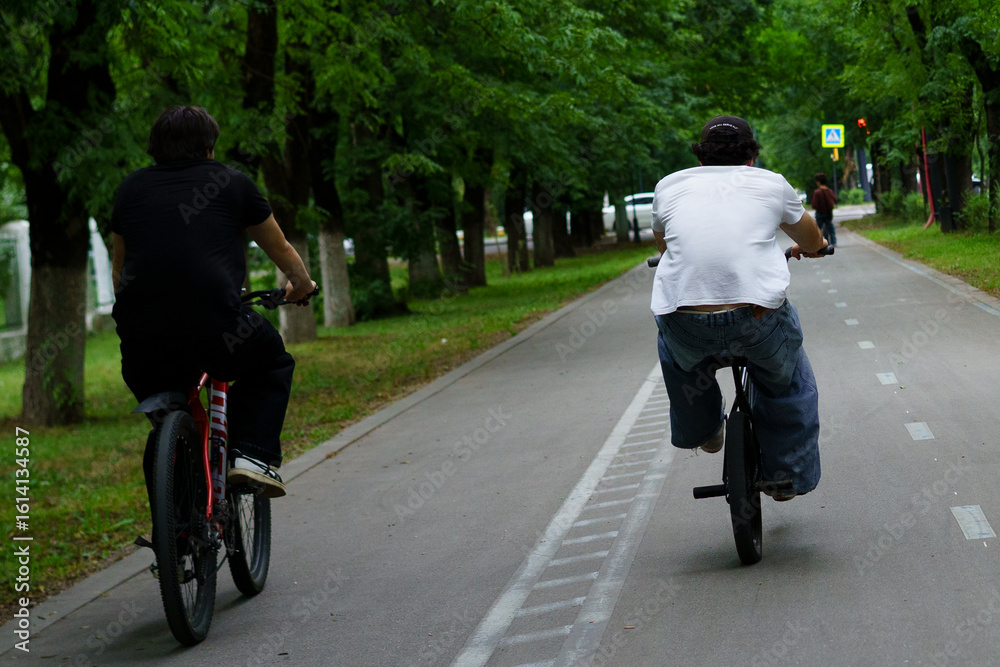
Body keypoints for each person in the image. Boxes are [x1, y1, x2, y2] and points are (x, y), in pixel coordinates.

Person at [111, 105, 316, 504]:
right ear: (209, 147)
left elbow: (121, 272)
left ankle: (175, 525)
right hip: (217, 329)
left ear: (155, 148)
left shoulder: (130, 189)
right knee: (272, 361)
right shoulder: (231, 182)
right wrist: (301, 284)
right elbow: (279, 247)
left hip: (141, 345)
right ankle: (251, 457)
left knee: (167, 407)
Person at [650, 115, 828, 500]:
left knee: (674, 353)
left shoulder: (669, 186)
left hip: (687, 324)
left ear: (701, 158)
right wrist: (813, 249)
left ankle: (705, 431)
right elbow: (810, 237)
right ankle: (786, 477)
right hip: (756, 321)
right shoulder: (771, 183)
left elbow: (665, 248)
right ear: (751, 158)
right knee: (788, 377)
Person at [811, 172, 838, 247]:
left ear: (818, 181)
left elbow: (814, 204)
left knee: (818, 228)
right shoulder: (829, 191)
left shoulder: (817, 192)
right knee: (830, 227)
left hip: (820, 213)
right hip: (829, 213)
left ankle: (817, 243)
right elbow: (835, 200)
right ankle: (833, 242)